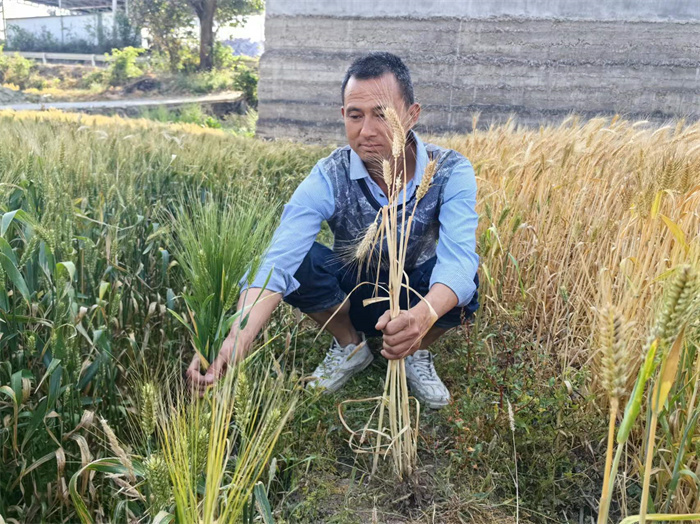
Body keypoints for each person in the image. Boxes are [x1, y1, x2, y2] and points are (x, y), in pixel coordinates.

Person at [187, 52, 479, 409]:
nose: (366, 131)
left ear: (412, 114)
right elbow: (278, 261)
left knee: (465, 279)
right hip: (353, 290)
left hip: (417, 292)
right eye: (355, 116)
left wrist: (423, 316)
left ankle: (416, 348)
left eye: (382, 114)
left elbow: (459, 262)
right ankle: (350, 344)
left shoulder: (450, 170)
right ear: (343, 115)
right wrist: (236, 338)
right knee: (301, 261)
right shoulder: (329, 174)